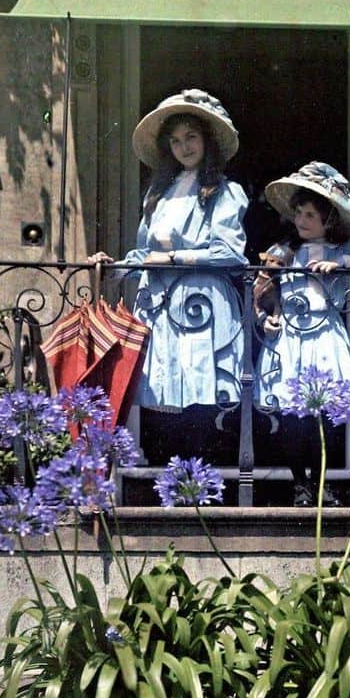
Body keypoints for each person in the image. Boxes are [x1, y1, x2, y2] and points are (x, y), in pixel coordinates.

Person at [88, 88, 248, 461]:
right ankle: (168, 483)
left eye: (191, 137)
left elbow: (230, 253)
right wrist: (116, 265)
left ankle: (201, 484)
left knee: (198, 390)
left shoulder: (224, 193)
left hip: (201, 302)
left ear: (207, 141)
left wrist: (175, 258)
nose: (184, 147)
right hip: (159, 303)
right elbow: (146, 253)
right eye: (175, 141)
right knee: (162, 391)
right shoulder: (158, 195)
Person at [254, 161, 350, 506]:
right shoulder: (282, 253)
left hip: (323, 336)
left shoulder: (344, 250)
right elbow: (262, 291)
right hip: (289, 337)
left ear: (328, 220)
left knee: (324, 414)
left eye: (310, 215)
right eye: (299, 213)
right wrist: (264, 317)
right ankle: (299, 483)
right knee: (292, 415)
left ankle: (321, 484)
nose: (302, 221)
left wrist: (343, 265)